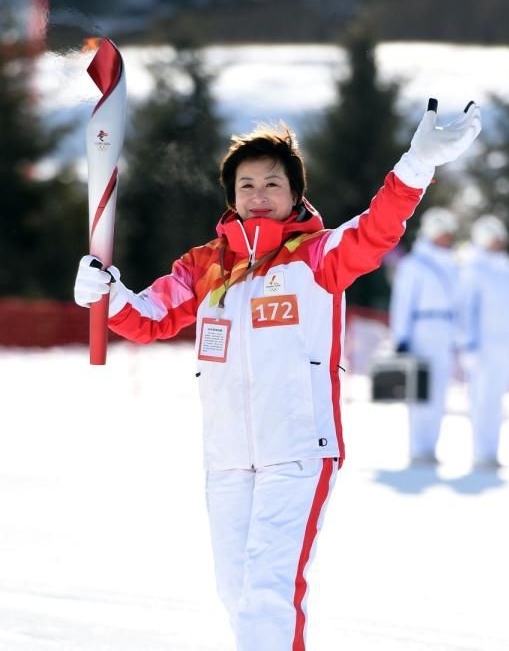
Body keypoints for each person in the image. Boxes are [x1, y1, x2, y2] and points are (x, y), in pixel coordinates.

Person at [74, 99, 481, 650]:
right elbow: (151, 317)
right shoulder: (206, 266)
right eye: (246, 186)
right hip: (227, 457)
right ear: (231, 199)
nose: (259, 196)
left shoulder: (316, 256)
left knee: (268, 592)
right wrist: (107, 294)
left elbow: (376, 231)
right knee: (238, 594)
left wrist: (416, 165)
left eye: (272, 184)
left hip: (296, 450)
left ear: (295, 195)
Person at [389, 206, 459, 465]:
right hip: (422, 329)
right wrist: (401, 338)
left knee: (440, 392)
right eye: (444, 233)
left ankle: (431, 447)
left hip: (446, 331)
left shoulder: (453, 263)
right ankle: (418, 448)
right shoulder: (414, 264)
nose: (448, 237)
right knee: (420, 391)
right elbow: (402, 303)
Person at [456, 215, 509, 470]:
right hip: (482, 348)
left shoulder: (508, 270)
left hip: (504, 348)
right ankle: (481, 452)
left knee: (496, 402)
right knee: (481, 400)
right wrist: (468, 344)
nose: (499, 243)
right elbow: (466, 310)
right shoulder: (473, 269)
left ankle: (491, 452)